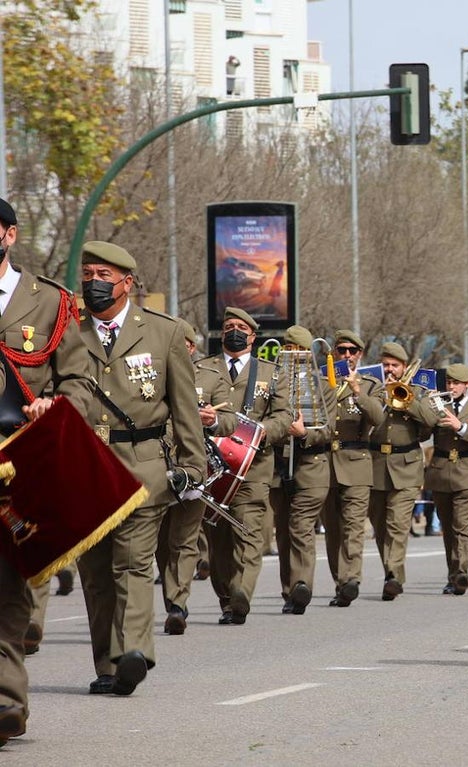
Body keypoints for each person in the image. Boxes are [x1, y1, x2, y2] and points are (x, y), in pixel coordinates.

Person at [76, 240, 206, 697]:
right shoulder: (68, 332)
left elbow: (185, 407)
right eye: (87, 275)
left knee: (132, 564)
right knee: (96, 573)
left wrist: (192, 464)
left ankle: (133, 652)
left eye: (103, 276)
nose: (93, 283)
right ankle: (107, 665)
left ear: (127, 283)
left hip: (142, 467)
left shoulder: (163, 332)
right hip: (84, 468)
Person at [0, 198, 91, 746]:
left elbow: (78, 380)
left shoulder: (49, 302)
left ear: (9, 235)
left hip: (19, 462)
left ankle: (7, 700)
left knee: (7, 585)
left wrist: (53, 405)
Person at [195, 307, 291, 624]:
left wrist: (261, 432)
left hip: (254, 466)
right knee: (219, 539)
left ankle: (241, 592)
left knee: (248, 532)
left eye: (241, 327)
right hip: (213, 467)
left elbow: (284, 416)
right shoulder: (202, 369)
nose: (234, 331)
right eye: (228, 326)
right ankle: (227, 599)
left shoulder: (271, 373)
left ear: (252, 337)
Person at [154, 318, 234, 635]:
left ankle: (177, 604)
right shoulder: (151, 373)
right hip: (157, 465)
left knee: (184, 539)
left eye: (182, 343)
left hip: (194, 464)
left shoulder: (211, 377)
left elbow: (232, 421)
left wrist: (213, 420)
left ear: (190, 347)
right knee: (161, 542)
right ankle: (172, 597)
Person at [270, 325, 334, 615]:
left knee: (300, 526)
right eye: (288, 349)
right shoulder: (273, 385)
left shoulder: (324, 388)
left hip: (312, 467)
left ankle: (301, 586)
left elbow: (329, 430)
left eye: (298, 350)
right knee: (284, 531)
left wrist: (304, 433)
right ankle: (289, 590)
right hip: (279, 466)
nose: (293, 355)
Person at [368, 342, 437, 601]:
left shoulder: (418, 390)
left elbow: (430, 420)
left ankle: (393, 577)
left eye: (394, 365)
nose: (389, 369)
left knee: (397, 524)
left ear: (404, 367)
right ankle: (392, 572)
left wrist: (405, 399)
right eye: (385, 365)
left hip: (406, 466)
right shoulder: (372, 387)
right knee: (380, 527)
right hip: (375, 464)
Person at [321, 330, 386, 606]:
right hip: (325, 462)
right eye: (342, 349)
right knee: (332, 529)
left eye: (352, 351)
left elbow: (378, 417)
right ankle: (340, 582)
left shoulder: (371, 384)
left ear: (360, 355)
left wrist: (357, 391)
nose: (347, 355)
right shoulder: (321, 380)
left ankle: (350, 579)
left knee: (353, 526)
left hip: (357, 461)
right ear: (334, 352)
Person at [425, 363, 468, 595]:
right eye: (449, 382)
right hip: (440, 471)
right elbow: (422, 432)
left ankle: (461, 571)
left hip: (467, 472)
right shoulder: (437, 405)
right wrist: (426, 404)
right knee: (448, 527)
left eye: (456, 383)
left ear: (467, 385)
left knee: (462, 526)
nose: (452, 387)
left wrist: (461, 427)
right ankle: (453, 574)